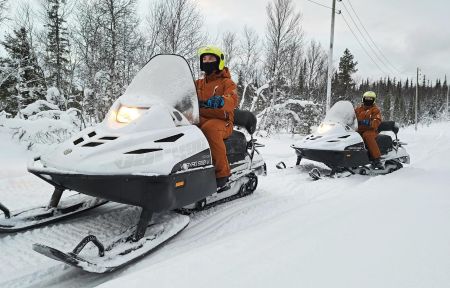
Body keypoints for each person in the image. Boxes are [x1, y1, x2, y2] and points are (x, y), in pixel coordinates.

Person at [195, 46, 238, 189]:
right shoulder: (198, 83)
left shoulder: (227, 83)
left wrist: (221, 101)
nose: (207, 62)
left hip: (223, 122)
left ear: (219, 61)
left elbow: (232, 99)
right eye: (204, 59)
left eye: (211, 58)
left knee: (210, 129)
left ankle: (222, 173)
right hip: (199, 118)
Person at [355, 91, 384, 169]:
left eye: (370, 99)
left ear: (373, 100)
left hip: (371, 130)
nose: (368, 100)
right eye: (366, 98)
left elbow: (377, 120)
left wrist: (368, 122)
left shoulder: (375, 110)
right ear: (363, 99)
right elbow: (351, 116)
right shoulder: (358, 109)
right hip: (358, 130)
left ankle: (377, 159)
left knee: (367, 135)